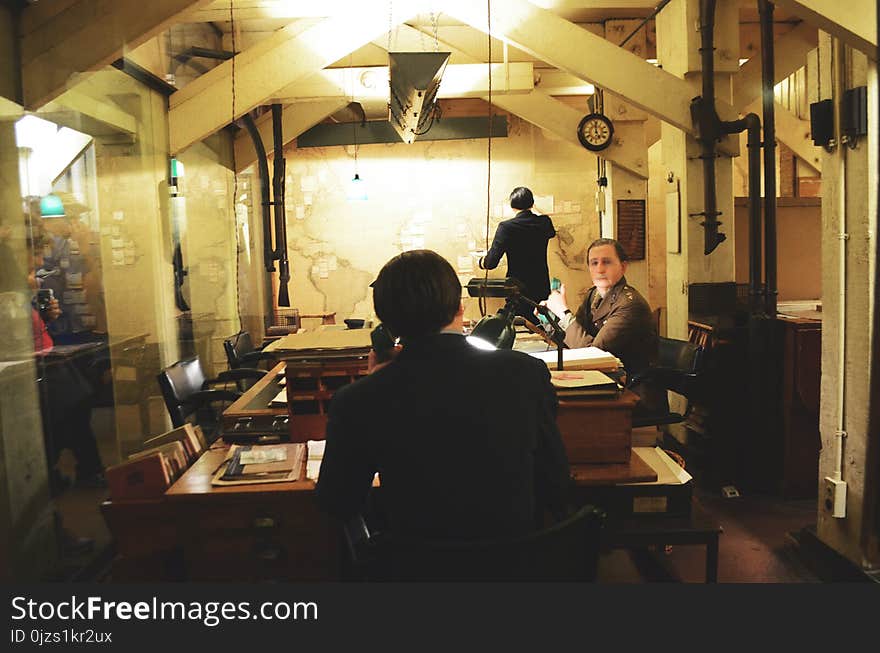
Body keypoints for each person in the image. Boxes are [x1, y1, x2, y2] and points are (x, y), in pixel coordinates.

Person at [316, 249, 571, 541]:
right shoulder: (526, 373)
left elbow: (337, 503)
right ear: (460, 307)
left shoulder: (357, 400)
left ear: (385, 323)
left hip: (416, 572)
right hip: (514, 568)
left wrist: (374, 385)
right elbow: (556, 481)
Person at [544, 238, 661, 411]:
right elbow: (576, 340)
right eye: (594, 263)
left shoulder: (629, 304)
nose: (599, 269)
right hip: (604, 381)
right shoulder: (594, 295)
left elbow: (592, 354)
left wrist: (563, 311)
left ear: (623, 266)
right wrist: (549, 318)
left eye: (606, 262)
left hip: (631, 391)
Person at [478, 187, 556, 322]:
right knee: (541, 326)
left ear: (512, 206)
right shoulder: (544, 222)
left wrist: (480, 261)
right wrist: (532, 209)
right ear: (532, 203)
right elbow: (552, 233)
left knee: (519, 326)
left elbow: (491, 263)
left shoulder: (506, 227)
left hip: (517, 289)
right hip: (541, 286)